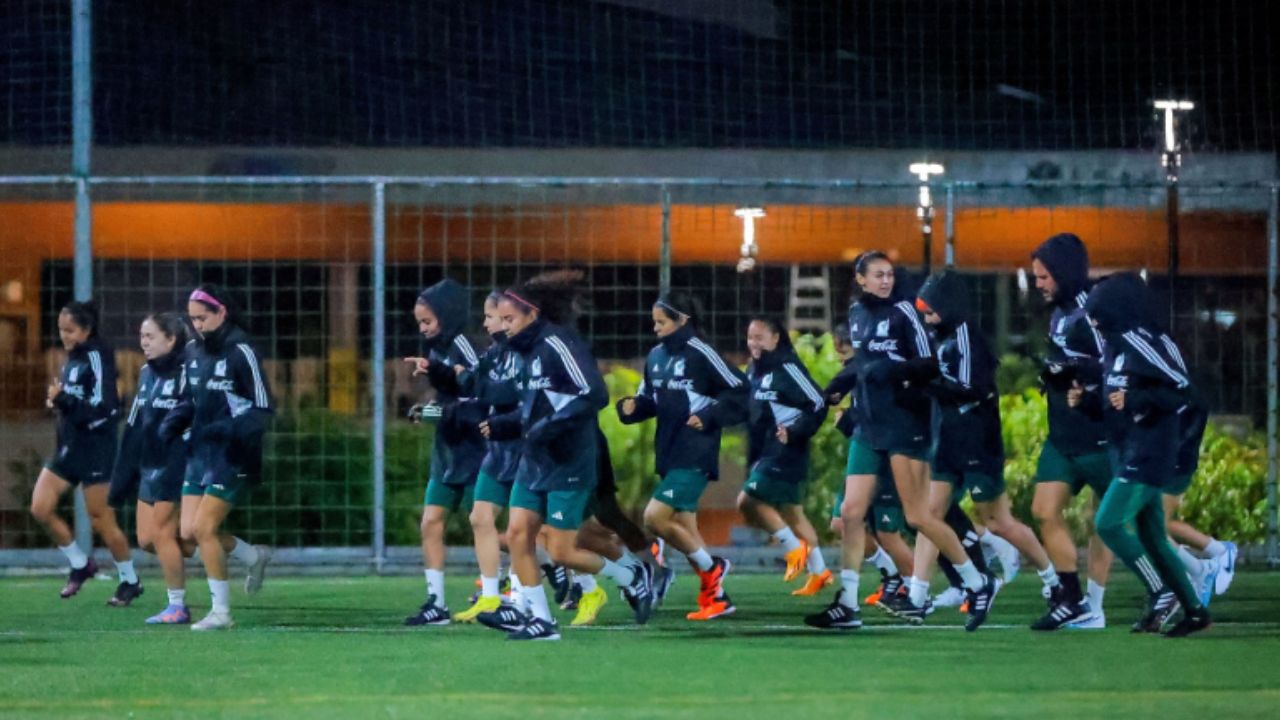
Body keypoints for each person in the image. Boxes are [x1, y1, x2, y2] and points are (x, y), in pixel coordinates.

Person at [805, 252, 995, 631]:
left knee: (918, 516)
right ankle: (847, 602)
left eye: (889, 274)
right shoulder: (858, 315)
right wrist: (832, 390)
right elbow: (860, 365)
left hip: (905, 423)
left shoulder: (905, 313)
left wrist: (889, 370)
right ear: (860, 279)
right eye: (877, 275)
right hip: (868, 427)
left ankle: (977, 583)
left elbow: (929, 365)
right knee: (850, 514)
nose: (885, 281)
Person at [478, 271, 654, 640]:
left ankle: (631, 575)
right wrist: (509, 425)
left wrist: (549, 427)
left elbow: (593, 395)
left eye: (510, 319)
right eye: (502, 320)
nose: (504, 327)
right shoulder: (519, 353)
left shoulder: (558, 345)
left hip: (570, 458)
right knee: (517, 535)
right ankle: (540, 621)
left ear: (532, 314)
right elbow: (532, 410)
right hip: (534, 460)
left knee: (561, 551)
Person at [913, 271, 1063, 628]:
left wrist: (921, 386)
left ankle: (1054, 582)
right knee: (928, 516)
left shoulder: (968, 339)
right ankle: (919, 595)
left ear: (947, 307)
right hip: (948, 441)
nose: (926, 318)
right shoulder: (943, 336)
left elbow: (969, 390)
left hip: (977, 441)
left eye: (931, 311)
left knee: (999, 522)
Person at [1083, 273, 1210, 637]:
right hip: (1130, 448)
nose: (1094, 323)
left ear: (1116, 310)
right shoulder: (1114, 345)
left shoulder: (1144, 340)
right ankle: (1195, 611)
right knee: (1153, 535)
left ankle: (1160, 590)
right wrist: (1088, 402)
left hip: (1152, 450)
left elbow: (1181, 390)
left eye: (1098, 314)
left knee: (1108, 523)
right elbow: (1117, 401)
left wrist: (1136, 400)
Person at [617, 291, 748, 621]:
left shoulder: (701, 353)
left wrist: (710, 417)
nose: (655, 328)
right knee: (685, 528)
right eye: (654, 322)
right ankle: (716, 597)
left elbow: (742, 391)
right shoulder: (656, 356)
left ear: (682, 321)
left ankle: (713, 567)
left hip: (696, 451)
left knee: (654, 517)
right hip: (669, 451)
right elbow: (651, 400)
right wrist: (631, 409)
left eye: (661, 322)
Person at [161, 284, 274, 631]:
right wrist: (174, 420)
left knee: (204, 528)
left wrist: (228, 430)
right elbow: (189, 399)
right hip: (200, 453)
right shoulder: (193, 351)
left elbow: (264, 409)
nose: (197, 325)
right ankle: (253, 556)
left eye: (203, 317)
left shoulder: (242, 351)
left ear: (222, 312)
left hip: (233, 454)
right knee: (187, 533)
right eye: (193, 319)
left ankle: (221, 613)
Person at [1029, 233, 1114, 630]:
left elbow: (1115, 361)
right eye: (1037, 277)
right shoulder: (1060, 312)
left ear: (1064, 273)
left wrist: (1079, 374)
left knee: (1111, 520)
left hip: (1097, 429)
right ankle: (1074, 599)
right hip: (1062, 433)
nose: (1039, 284)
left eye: (1045, 277)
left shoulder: (1092, 308)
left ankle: (1096, 605)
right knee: (1043, 511)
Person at [29, 300, 136, 605]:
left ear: (87, 329)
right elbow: (74, 402)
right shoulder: (72, 358)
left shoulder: (99, 356)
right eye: (61, 329)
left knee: (101, 519)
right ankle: (80, 564)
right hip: (69, 448)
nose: (64, 336)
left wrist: (64, 402)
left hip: (95, 450)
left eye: (70, 330)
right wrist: (59, 403)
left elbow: (106, 409)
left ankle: (130, 580)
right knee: (40, 508)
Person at [402, 279, 486, 626]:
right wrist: (427, 410)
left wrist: (439, 409)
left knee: (490, 528)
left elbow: (479, 399)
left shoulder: (465, 347)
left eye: (428, 322)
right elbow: (449, 402)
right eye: (419, 323)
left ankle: (541, 570)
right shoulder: (437, 350)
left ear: (447, 316)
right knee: (431, 521)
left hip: (476, 451)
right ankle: (436, 602)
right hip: (448, 451)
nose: (423, 329)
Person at [109, 312, 192, 623]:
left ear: (171, 339)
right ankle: (232, 551)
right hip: (150, 463)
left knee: (161, 533)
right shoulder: (146, 373)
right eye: (142, 336)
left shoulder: (188, 372)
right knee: (147, 539)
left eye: (150, 336)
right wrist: (122, 475)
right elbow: (135, 424)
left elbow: (199, 416)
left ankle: (177, 606)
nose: (143, 342)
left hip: (177, 462)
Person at [737, 315, 830, 593]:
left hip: (786, 450)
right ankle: (820, 571)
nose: (754, 343)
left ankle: (793, 550)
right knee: (794, 513)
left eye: (760, 337)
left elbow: (818, 400)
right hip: (767, 450)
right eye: (750, 337)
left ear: (776, 338)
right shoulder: (755, 371)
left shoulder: (786, 366)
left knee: (748, 501)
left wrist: (795, 431)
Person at [451, 291, 522, 622]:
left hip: (526, 449)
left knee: (538, 532)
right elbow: (472, 386)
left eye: (491, 316)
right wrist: (444, 372)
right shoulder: (494, 354)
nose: (486, 322)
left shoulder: (527, 353)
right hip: (497, 451)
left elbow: (523, 398)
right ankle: (492, 597)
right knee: (480, 518)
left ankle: (602, 578)